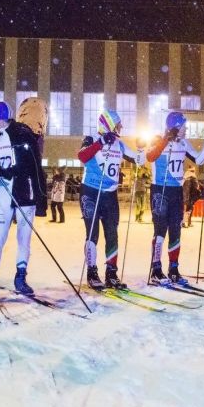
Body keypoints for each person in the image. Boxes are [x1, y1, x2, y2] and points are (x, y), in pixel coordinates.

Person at [0, 101, 47, 296]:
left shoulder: (22, 134)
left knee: (23, 238)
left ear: (0, 118)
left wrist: (41, 198)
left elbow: (31, 167)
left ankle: (20, 276)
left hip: (24, 193)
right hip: (3, 194)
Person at [77, 110, 145, 290]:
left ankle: (111, 273)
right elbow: (82, 156)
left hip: (110, 194)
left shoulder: (119, 144)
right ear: (108, 124)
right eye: (118, 124)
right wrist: (100, 142)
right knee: (93, 233)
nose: (121, 127)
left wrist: (141, 148)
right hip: (91, 191)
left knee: (112, 234)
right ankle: (92, 272)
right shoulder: (91, 138)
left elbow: (139, 160)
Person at [146, 111, 204, 285]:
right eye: (184, 126)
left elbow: (198, 160)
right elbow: (150, 156)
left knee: (176, 230)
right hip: (160, 190)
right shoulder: (157, 140)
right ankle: (156, 269)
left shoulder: (183, 142)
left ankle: (174, 268)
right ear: (175, 127)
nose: (186, 129)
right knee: (160, 231)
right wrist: (166, 139)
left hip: (176, 191)